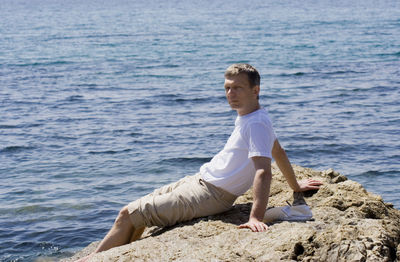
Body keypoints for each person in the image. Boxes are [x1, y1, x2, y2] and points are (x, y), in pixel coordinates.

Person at [76, 63, 322, 261]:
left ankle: (94, 259)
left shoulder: (256, 123)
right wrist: (295, 185)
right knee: (134, 214)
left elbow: (263, 172)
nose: (230, 94)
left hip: (210, 195)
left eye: (237, 88)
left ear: (255, 90)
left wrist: (255, 217)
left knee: (127, 214)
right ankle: (114, 255)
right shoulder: (254, 117)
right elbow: (278, 151)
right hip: (200, 181)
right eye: (227, 88)